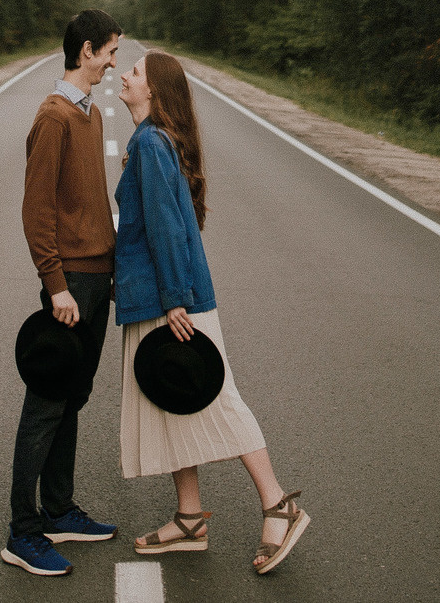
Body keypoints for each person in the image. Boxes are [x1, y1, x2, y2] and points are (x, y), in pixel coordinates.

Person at [115, 50, 312, 576]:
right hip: (162, 296)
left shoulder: (149, 143)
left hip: (173, 302)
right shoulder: (153, 142)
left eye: (133, 72)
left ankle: (278, 505)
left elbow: (165, 227)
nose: (123, 76)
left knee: (216, 400)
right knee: (173, 398)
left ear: (153, 90)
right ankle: (188, 519)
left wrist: (175, 299)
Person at [1, 9, 124, 577]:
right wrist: (56, 285)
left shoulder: (90, 115)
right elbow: (37, 210)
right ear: (86, 52)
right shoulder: (54, 117)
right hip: (71, 282)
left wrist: (113, 268)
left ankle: (59, 508)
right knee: (46, 405)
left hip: (97, 277)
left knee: (73, 396)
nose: (113, 63)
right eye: (109, 52)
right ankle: (22, 532)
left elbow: (93, 204)